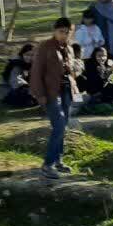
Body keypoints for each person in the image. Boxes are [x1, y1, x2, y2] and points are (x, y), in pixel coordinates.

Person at [30, 18, 80, 179]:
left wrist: (75, 70)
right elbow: (36, 72)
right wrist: (40, 94)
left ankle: (58, 160)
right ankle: (48, 164)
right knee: (58, 125)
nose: (64, 35)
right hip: (51, 93)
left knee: (63, 126)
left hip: (67, 90)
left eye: (67, 32)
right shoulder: (45, 47)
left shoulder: (69, 49)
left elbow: (70, 71)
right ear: (55, 31)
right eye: (61, 32)